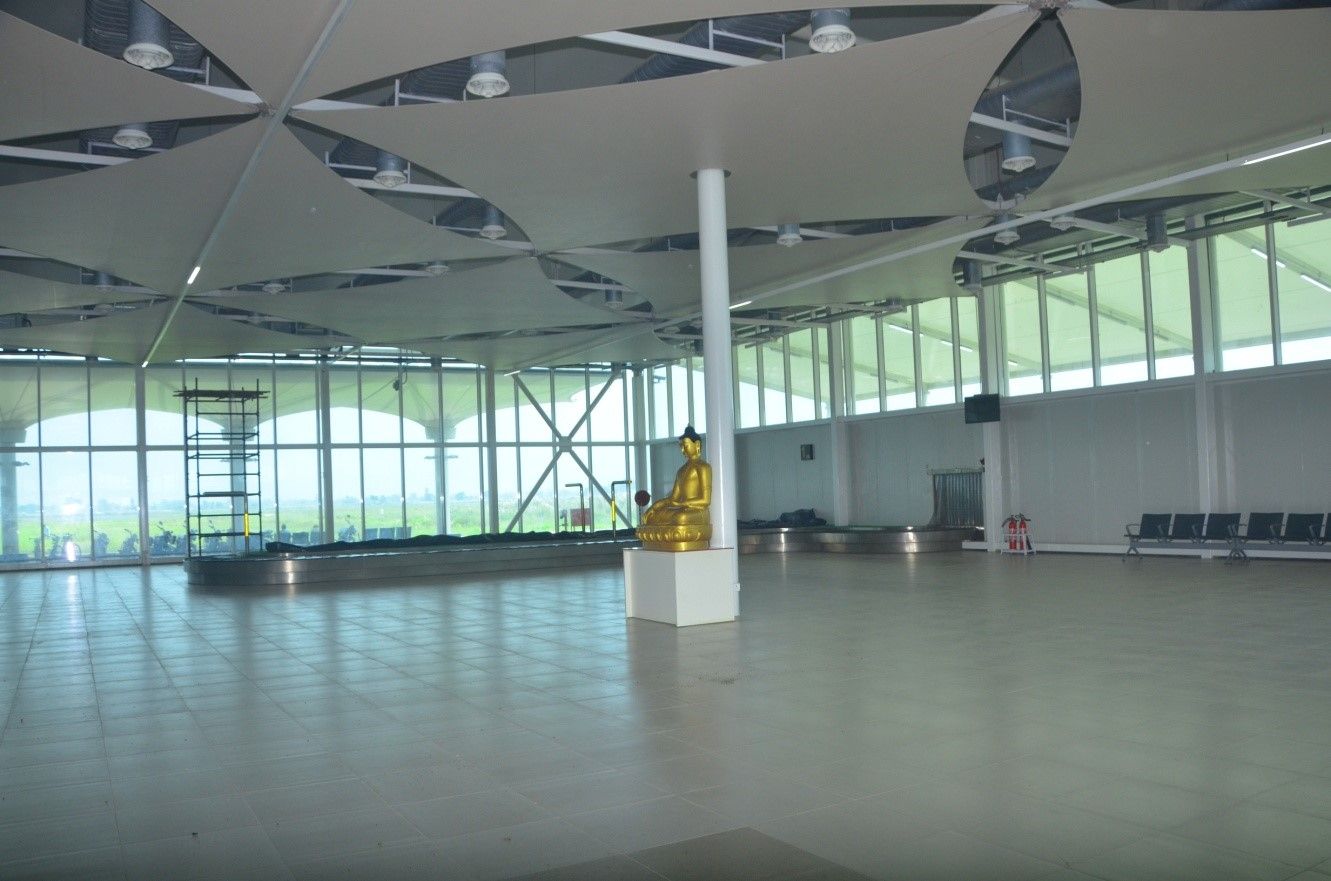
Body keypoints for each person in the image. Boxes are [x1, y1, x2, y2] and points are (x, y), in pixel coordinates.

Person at [637, 426, 712, 551]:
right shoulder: (681, 471)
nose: (683, 450)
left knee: (680, 518)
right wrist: (654, 507)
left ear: (697, 444)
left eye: (686, 445)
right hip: (681, 508)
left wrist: (684, 503)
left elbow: (705, 500)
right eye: (681, 446)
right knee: (653, 517)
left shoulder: (703, 467)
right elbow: (672, 499)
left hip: (697, 511)